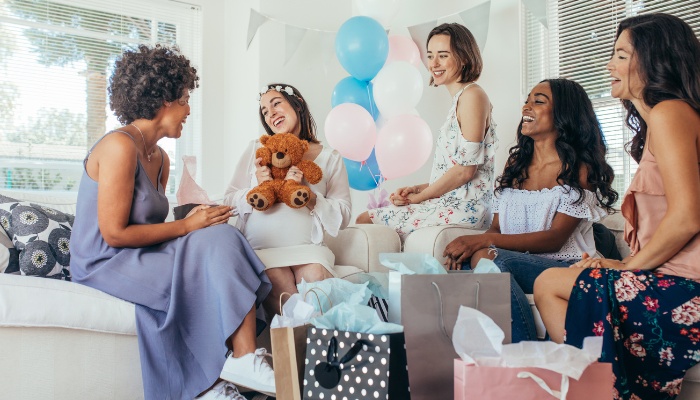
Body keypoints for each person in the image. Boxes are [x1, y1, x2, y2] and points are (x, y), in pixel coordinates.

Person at [69, 45, 275, 400]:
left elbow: (153, 226)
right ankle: (207, 387)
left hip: (141, 251)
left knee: (221, 239)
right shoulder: (119, 147)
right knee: (196, 274)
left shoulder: (161, 158)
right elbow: (114, 234)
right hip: (103, 260)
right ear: (162, 99)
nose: (188, 109)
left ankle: (243, 358)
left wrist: (201, 224)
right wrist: (186, 228)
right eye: (183, 99)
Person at [534, 13, 700, 399]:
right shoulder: (666, 119)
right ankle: (607, 389)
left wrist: (627, 266)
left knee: (549, 283)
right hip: (672, 280)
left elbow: (688, 216)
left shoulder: (670, 112)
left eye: (621, 56)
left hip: (688, 288)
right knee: (565, 277)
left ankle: (604, 391)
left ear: (656, 59)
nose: (609, 65)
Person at [443, 78, 618, 343]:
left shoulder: (580, 168)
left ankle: (525, 350)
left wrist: (482, 242)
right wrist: (475, 249)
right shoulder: (516, 163)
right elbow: (497, 229)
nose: (526, 106)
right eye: (527, 99)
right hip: (516, 262)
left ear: (563, 114)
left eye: (538, 101)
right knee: (475, 262)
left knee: (494, 260)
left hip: (567, 266)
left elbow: (555, 238)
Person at [355, 23, 497, 240]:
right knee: (368, 221)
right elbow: (454, 173)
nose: (434, 64)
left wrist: (420, 198)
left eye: (443, 55)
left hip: (466, 209)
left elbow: (466, 171)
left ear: (465, 57)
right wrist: (416, 188)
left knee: (365, 220)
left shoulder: (472, 96)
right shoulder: (461, 99)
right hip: (452, 201)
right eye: (430, 56)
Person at [224, 83, 352, 316]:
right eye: (264, 111)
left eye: (276, 104)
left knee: (315, 279)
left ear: (297, 104)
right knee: (276, 282)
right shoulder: (257, 150)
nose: (270, 114)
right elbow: (229, 200)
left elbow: (343, 214)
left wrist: (310, 197)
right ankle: (305, 349)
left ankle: (313, 348)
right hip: (264, 249)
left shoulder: (329, 157)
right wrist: (257, 188)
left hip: (308, 249)